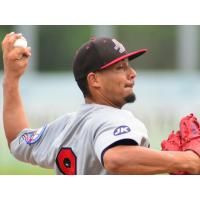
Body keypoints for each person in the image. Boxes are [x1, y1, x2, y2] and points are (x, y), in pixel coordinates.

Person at [2, 32, 200, 175]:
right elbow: (115, 159)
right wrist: (187, 161)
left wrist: (11, 77)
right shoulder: (114, 119)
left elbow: (17, 141)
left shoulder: (65, 126)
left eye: (129, 66)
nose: (132, 73)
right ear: (94, 80)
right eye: (120, 68)